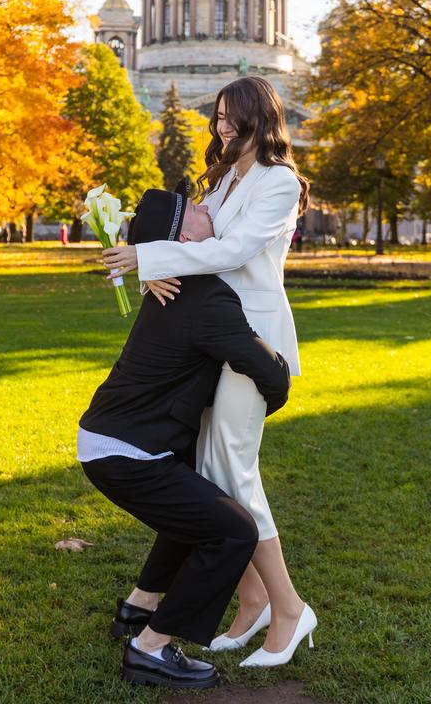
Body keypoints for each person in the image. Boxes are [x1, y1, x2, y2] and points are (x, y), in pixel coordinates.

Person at [99, 75, 316, 667]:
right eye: (216, 117)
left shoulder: (278, 182)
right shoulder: (225, 177)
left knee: (235, 473)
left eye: (231, 117)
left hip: (252, 339)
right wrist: (149, 265)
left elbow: (232, 251)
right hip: (210, 338)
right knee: (216, 473)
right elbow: (190, 238)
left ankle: (290, 608)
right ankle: (252, 600)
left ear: (259, 119)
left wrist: (147, 256)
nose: (220, 127)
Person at [80, 188, 291, 690]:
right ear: (184, 236)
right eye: (196, 210)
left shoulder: (172, 286)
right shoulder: (205, 296)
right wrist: (278, 369)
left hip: (112, 442)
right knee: (232, 532)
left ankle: (138, 608)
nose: (207, 209)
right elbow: (268, 374)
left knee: (196, 513)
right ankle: (149, 649)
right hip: (130, 454)